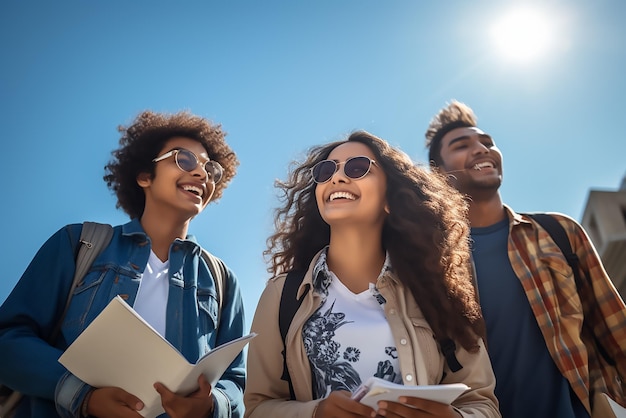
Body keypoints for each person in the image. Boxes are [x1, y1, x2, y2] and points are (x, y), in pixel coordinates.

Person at [0, 110, 246, 418]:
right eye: (184, 160)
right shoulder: (78, 244)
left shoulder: (223, 282)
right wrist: (83, 396)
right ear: (145, 176)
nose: (201, 174)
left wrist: (213, 405)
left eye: (210, 169)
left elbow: (236, 382)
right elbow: (7, 339)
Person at [244, 130, 500, 418]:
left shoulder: (439, 293)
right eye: (326, 170)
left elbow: (483, 403)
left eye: (357, 168)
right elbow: (257, 408)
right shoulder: (281, 296)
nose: (337, 178)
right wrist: (315, 413)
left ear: (390, 199)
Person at [424, 100, 626, 418]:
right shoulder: (433, 264)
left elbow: (618, 333)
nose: (481, 149)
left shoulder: (559, 232)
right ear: (439, 173)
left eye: (487, 142)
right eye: (462, 145)